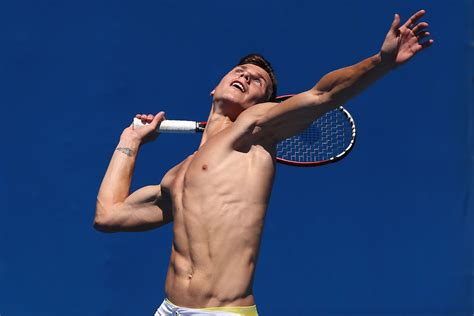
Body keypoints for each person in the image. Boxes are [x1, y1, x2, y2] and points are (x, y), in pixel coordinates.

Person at [94, 9, 433, 315]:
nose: (245, 77)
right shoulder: (177, 175)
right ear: (214, 88)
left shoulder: (254, 129)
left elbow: (323, 95)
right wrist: (130, 141)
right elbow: (108, 215)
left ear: (265, 102)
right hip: (168, 308)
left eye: (258, 81)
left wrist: (381, 61)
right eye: (239, 71)